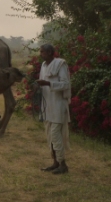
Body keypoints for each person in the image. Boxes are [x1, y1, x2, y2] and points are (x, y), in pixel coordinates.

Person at [36, 44, 71, 175]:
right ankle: (55, 162)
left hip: (58, 105)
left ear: (51, 52)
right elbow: (43, 83)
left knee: (56, 136)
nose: (41, 54)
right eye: (40, 52)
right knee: (50, 136)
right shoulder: (44, 66)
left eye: (43, 52)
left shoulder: (60, 64)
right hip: (47, 106)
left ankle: (63, 164)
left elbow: (65, 84)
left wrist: (48, 83)